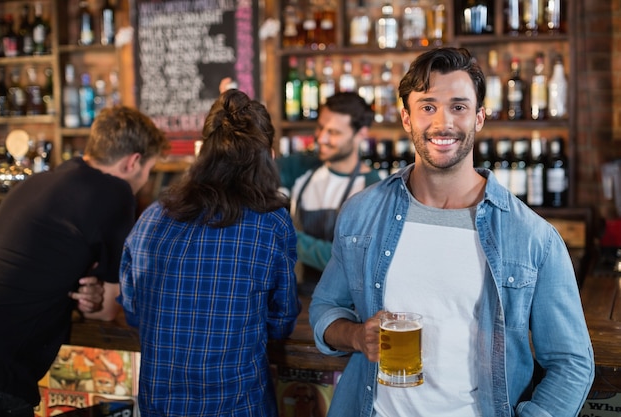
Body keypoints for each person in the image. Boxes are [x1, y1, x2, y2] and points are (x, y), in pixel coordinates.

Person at [309, 47, 594, 417]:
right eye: (428, 106)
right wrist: (355, 336)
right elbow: (325, 308)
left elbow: (571, 362)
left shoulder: (531, 237)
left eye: (458, 107)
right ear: (406, 118)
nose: (442, 123)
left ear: (479, 118)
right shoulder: (363, 213)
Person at [119, 89, 300, 416]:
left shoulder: (151, 217)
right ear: (269, 155)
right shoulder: (270, 223)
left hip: (161, 407)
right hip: (238, 407)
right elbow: (281, 321)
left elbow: (134, 312)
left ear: (203, 151)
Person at [0, 105, 169, 417]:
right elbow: (106, 311)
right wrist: (97, 296)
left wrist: (84, 293)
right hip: (2, 377)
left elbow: (44, 268)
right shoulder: (115, 193)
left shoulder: (38, 182)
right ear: (134, 162)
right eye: (149, 172)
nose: (145, 182)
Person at [288, 92, 381, 295]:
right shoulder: (303, 172)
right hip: (298, 299)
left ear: (361, 134)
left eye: (334, 132)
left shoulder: (372, 188)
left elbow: (353, 260)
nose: (321, 138)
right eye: (321, 127)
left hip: (345, 309)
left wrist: (288, 238)